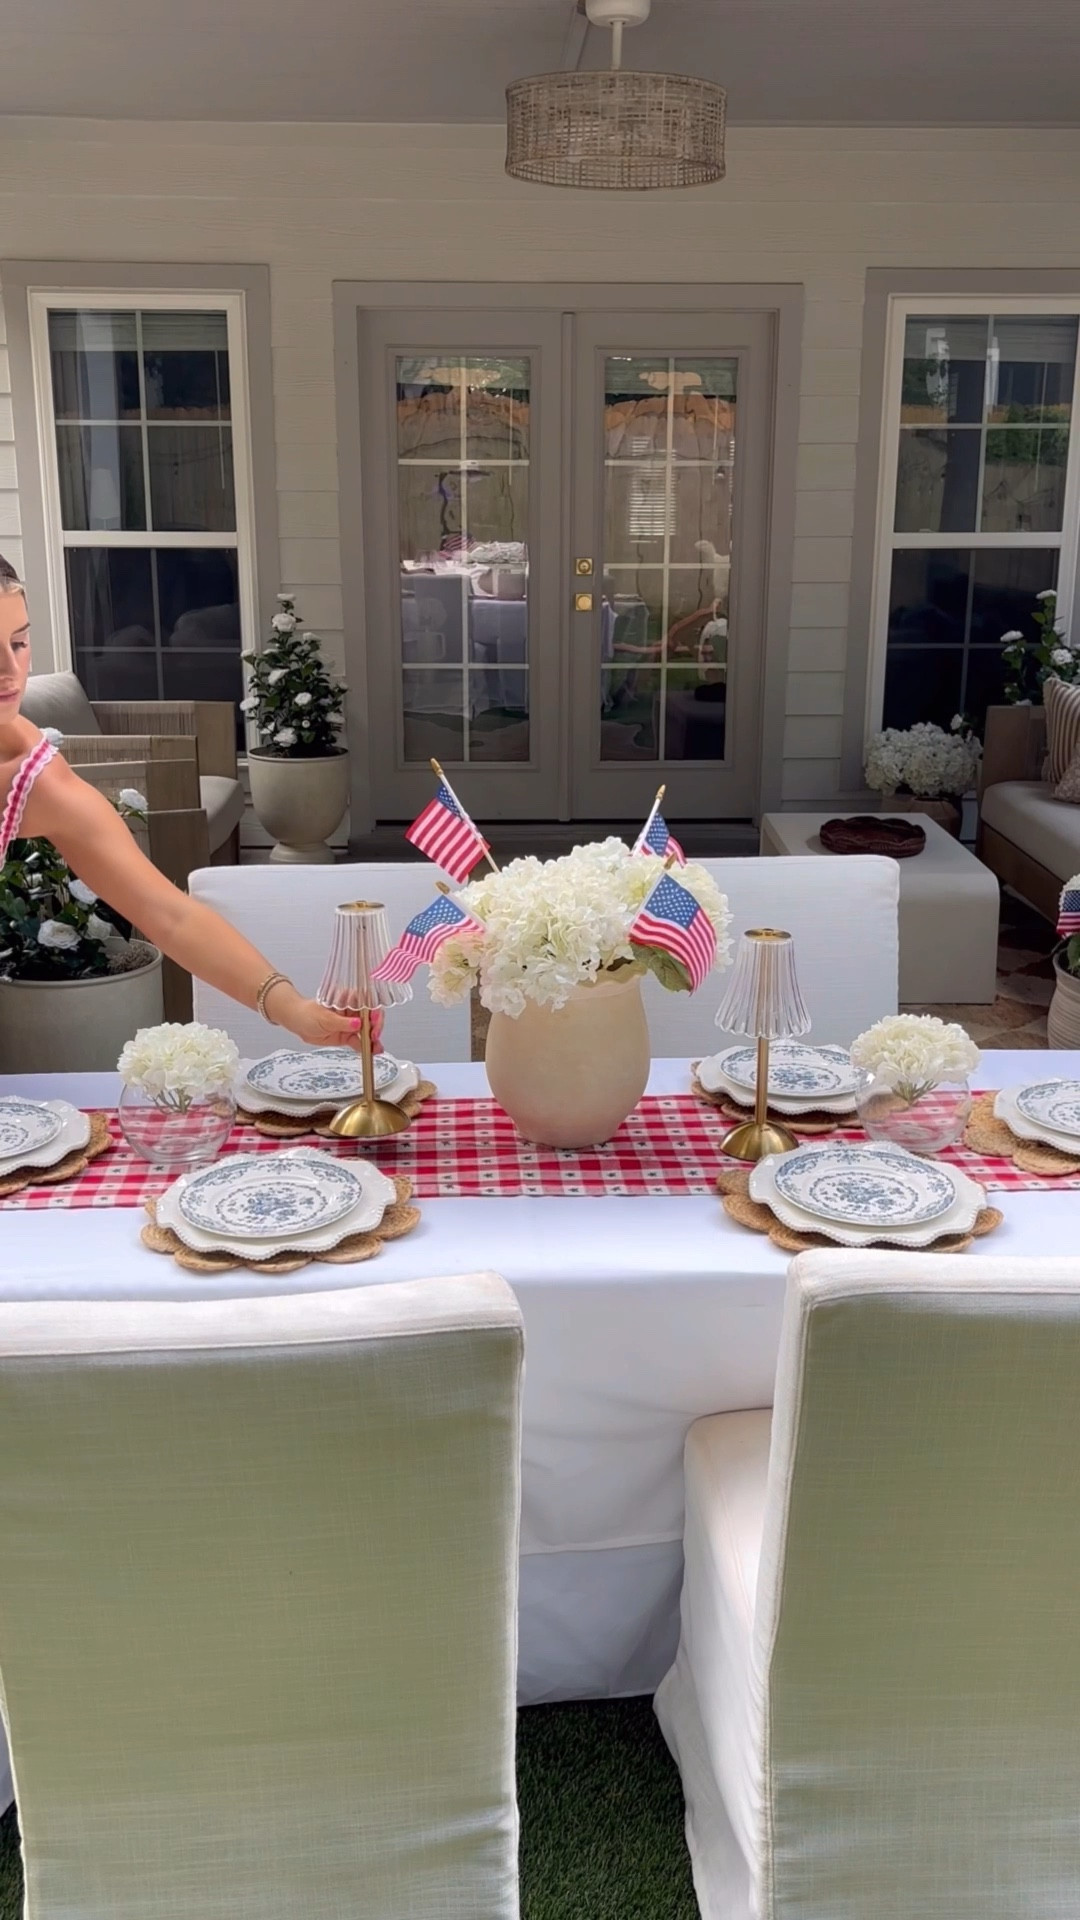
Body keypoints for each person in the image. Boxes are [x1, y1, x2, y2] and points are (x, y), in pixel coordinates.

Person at [0, 556, 365, 1050]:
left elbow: (168, 913)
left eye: (19, 643)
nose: (10, 669)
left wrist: (293, 1010)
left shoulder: (30, 774)